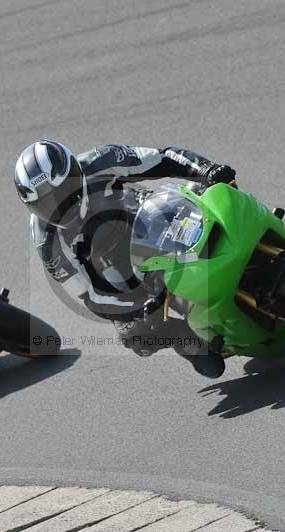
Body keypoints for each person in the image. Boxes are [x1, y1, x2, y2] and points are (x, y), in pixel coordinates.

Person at [14, 141, 237, 378]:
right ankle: (181, 336)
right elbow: (90, 296)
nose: (59, 206)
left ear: (76, 172)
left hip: (146, 218)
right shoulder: (47, 243)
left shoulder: (100, 162)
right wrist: (137, 309)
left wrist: (206, 169)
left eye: (63, 192)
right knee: (136, 335)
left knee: (212, 191)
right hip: (113, 271)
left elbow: (163, 158)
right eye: (46, 204)